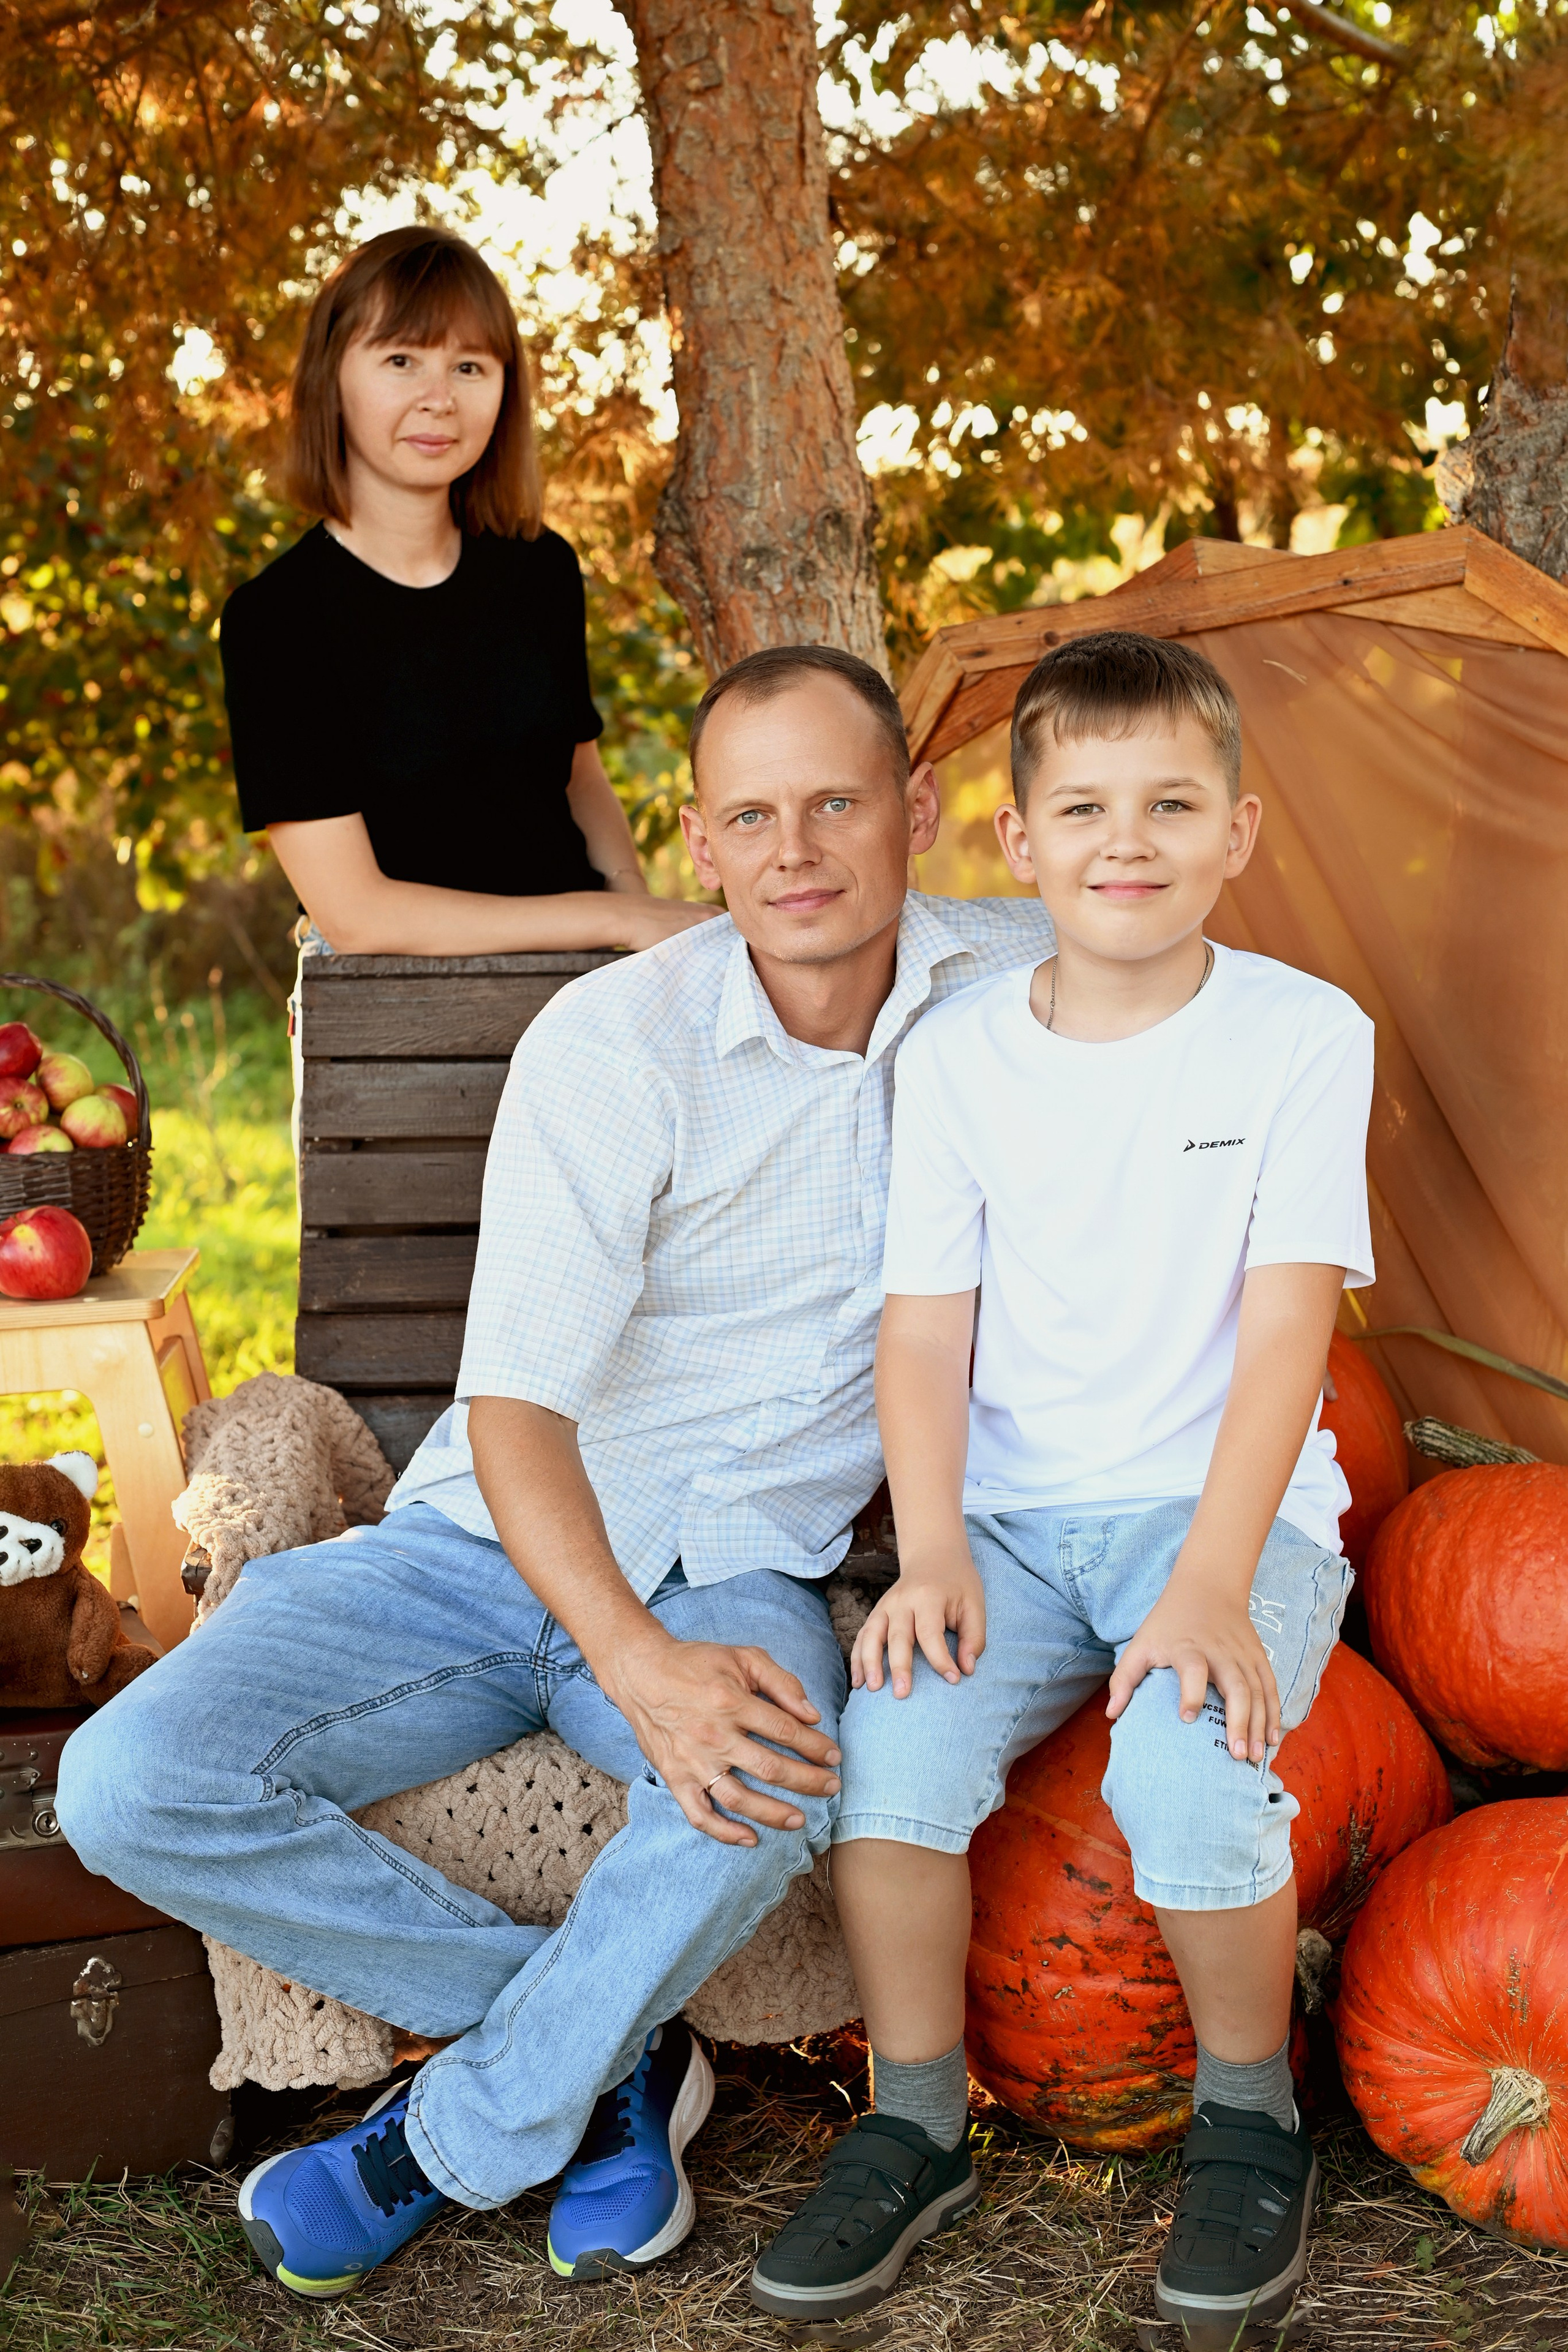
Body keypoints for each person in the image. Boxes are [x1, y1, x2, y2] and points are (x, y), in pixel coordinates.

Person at [56, 644, 1057, 2301]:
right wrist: (638, 1664)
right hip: (481, 1541)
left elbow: (1214, 989)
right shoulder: (615, 1044)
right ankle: (610, 2062)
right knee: (125, 1784)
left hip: (749, 1557)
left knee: (768, 1783)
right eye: (754, 815)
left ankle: (443, 2136)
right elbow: (517, 1419)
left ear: (921, 811)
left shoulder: (1021, 991)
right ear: (702, 840)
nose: (797, 848)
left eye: (837, 802)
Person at [751, 631, 1374, 2337]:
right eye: (1087, 806)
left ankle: (1252, 2119)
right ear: (1016, 846)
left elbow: (1285, 1348)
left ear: (1239, 831)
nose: (1131, 839)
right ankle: (915, 2121)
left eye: (1174, 803)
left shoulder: (1303, 1039)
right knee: (892, 1755)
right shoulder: (954, 1054)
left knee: (1186, 1775)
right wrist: (932, 1545)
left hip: (1227, 1514)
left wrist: (1211, 1581)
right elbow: (925, 1333)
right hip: (1011, 1526)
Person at [221, 224, 714, 959]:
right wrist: (615, 922)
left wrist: (634, 915)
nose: (439, 399)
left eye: (470, 367)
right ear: (331, 378)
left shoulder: (540, 570)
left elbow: (581, 778)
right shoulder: (277, 621)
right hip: (391, 1019)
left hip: (579, 981)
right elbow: (358, 916)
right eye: (400, 359)